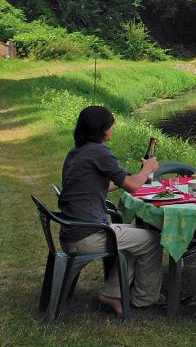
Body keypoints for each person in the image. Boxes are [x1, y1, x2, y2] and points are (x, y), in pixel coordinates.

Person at [60, 105, 164, 315]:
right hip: (86, 236)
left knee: (136, 237)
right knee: (152, 240)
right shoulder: (99, 152)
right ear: (101, 129)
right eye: (111, 125)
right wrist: (148, 169)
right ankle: (144, 298)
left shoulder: (77, 153)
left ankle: (113, 293)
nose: (113, 129)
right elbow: (132, 186)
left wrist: (135, 175)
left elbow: (104, 185)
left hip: (72, 232)